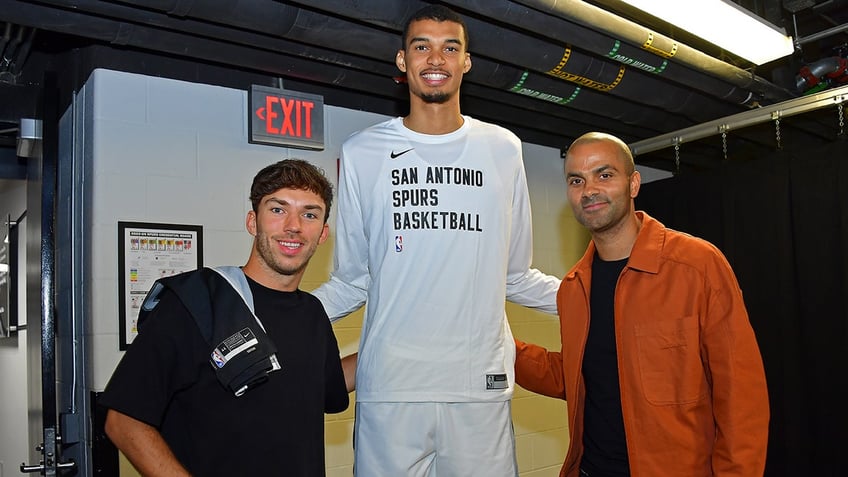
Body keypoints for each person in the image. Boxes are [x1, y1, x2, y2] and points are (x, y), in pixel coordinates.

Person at [311, 4, 560, 476]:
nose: (435, 58)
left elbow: (516, 275)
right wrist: (269, 315)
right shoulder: (362, 152)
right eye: (421, 46)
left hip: (478, 387)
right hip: (391, 387)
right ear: (403, 61)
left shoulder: (503, 148)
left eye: (450, 48)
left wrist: (608, 298)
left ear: (466, 62)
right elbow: (353, 279)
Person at [515, 132, 770, 477]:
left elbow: (741, 397)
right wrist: (502, 348)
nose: (589, 190)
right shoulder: (575, 287)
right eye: (577, 180)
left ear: (633, 184)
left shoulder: (697, 265)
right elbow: (577, 375)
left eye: (604, 175)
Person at [101, 159, 351, 476]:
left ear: (323, 233)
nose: (294, 225)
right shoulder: (195, 304)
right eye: (277, 209)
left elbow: (323, 384)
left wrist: (395, 348)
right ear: (252, 221)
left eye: (309, 214)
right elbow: (123, 421)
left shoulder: (312, 313)